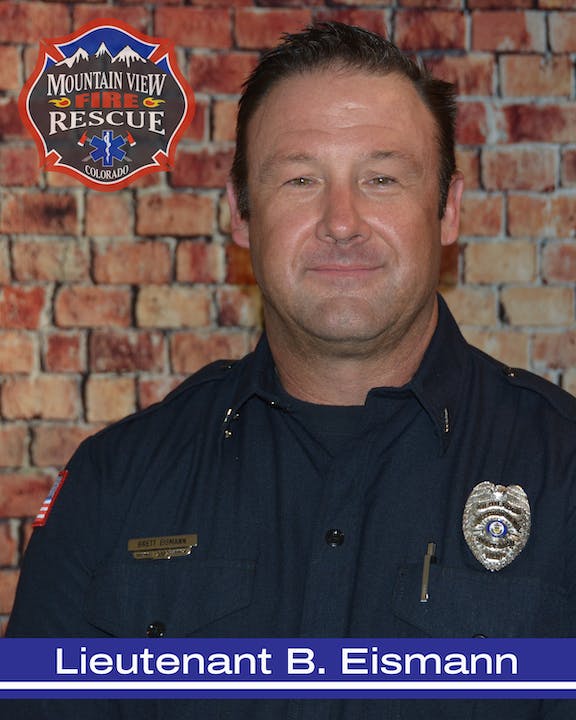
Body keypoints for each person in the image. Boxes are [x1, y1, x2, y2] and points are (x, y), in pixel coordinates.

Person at [6, 21, 576, 720]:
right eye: (301, 178)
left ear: (448, 210)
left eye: (382, 177)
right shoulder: (113, 485)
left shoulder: (565, 473)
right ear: (243, 214)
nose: (342, 220)